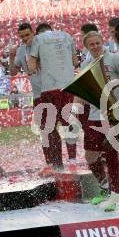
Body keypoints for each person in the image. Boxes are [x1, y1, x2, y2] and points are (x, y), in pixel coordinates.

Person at [72, 31, 119, 211]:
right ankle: (104, 187)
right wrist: (74, 109)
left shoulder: (115, 59)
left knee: (111, 153)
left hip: (114, 114)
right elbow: (82, 93)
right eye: (91, 45)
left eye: (97, 43)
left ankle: (115, 193)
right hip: (95, 115)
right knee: (90, 155)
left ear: (103, 42)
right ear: (87, 48)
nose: (95, 47)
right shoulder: (86, 65)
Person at [28, 23, 79, 177]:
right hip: (68, 87)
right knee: (68, 123)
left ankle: (54, 165)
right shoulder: (66, 35)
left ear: (38, 33)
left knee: (48, 127)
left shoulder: (38, 39)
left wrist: (37, 64)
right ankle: (73, 161)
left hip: (49, 89)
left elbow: (31, 67)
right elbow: (75, 62)